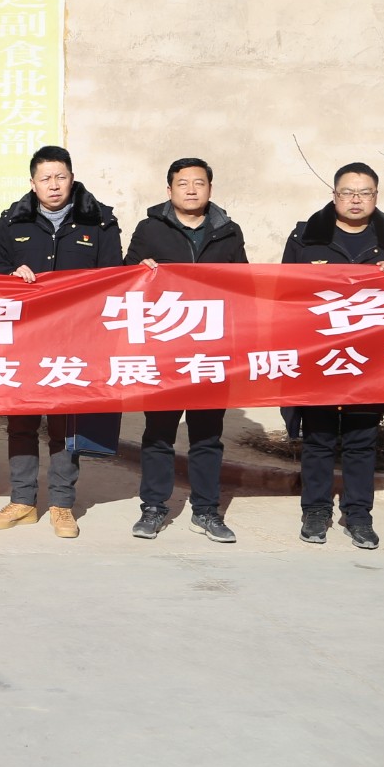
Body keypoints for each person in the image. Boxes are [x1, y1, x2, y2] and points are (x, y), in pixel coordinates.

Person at [0, 145, 123, 539]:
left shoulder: (99, 221)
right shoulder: (13, 220)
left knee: (65, 426)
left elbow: (113, 276)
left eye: (60, 177)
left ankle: (62, 504)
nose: (54, 185)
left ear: (72, 179)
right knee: (22, 423)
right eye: (45, 178)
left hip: (75, 342)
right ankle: (23, 501)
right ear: (33, 183)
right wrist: (12, 273)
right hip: (24, 340)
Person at [281, 163, 384, 548]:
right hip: (320, 354)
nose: (356, 199)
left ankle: (359, 515)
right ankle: (316, 511)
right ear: (334, 195)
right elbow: (285, 294)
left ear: (376, 196)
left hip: (370, 358)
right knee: (319, 438)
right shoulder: (306, 238)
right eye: (348, 192)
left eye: (365, 193)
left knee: (362, 440)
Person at [123, 157, 249, 544]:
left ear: (210, 189)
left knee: (207, 436)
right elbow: (124, 278)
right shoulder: (150, 229)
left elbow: (244, 285)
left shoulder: (228, 231)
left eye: (199, 183)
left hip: (212, 351)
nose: (191, 190)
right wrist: (138, 269)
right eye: (183, 183)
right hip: (164, 349)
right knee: (159, 433)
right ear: (169, 190)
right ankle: (154, 507)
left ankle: (206, 510)